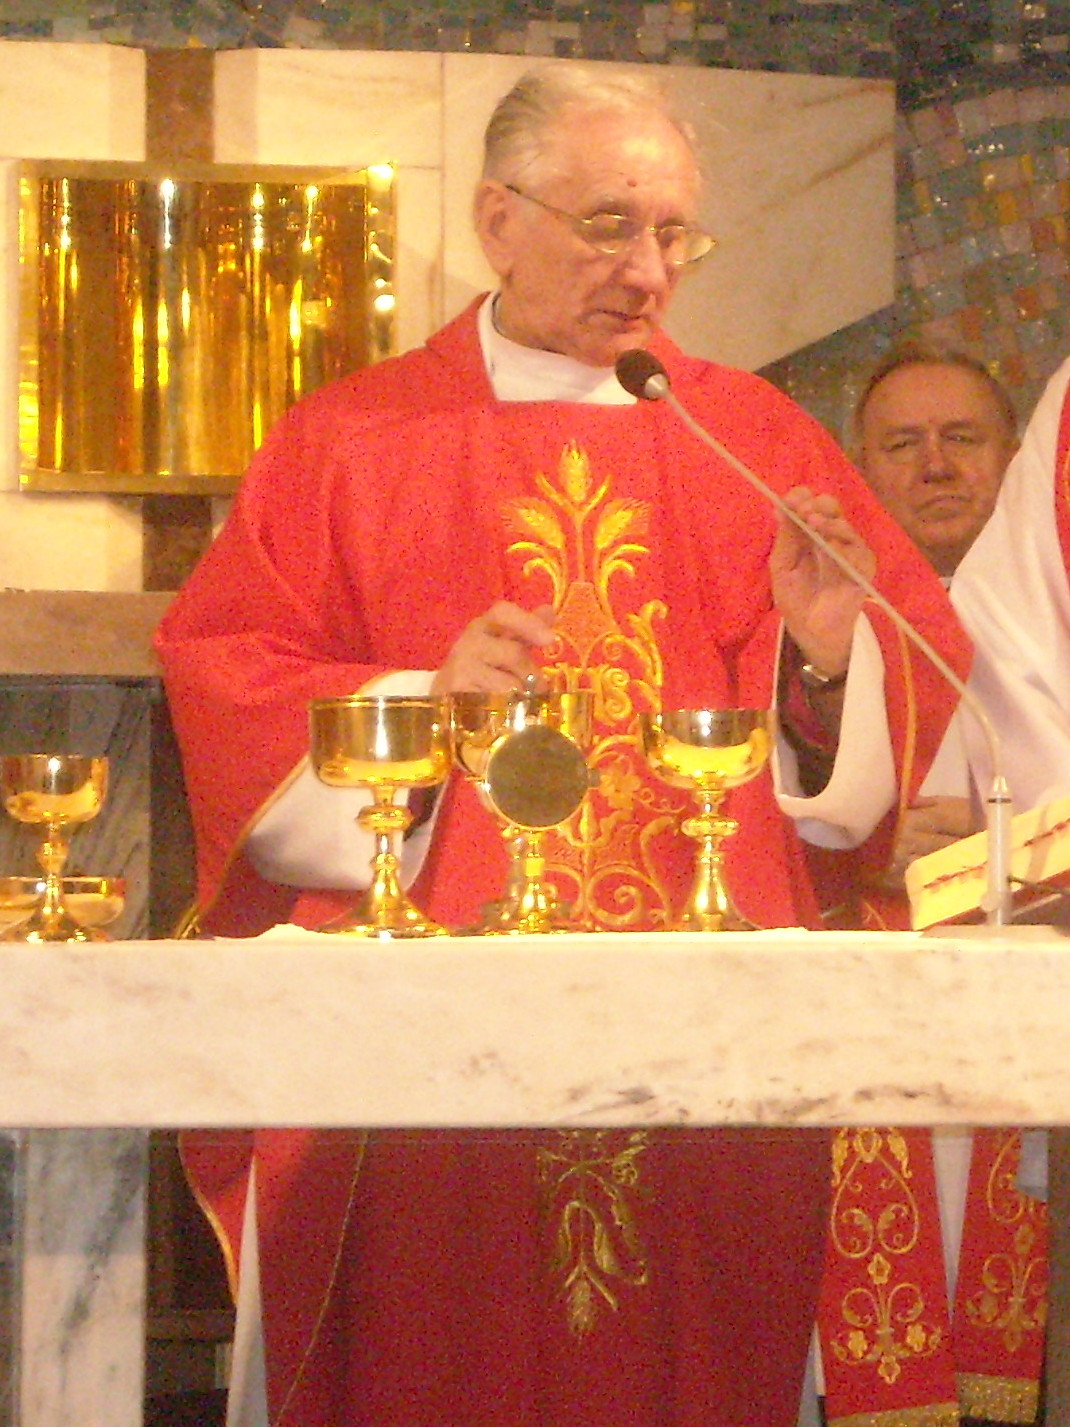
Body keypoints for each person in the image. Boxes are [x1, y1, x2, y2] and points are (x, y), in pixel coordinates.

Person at [155, 65, 969, 1427]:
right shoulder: (349, 441)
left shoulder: (750, 434)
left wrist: (826, 654)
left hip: (701, 1047)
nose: (647, 271)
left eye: (673, 234)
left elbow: (892, 705)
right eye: (607, 226)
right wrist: (419, 701)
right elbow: (229, 676)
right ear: (497, 220)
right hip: (429, 1050)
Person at [808, 343, 1047, 1427]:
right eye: (901, 444)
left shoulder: (1047, 616)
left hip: (1025, 994)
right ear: (860, 466)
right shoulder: (818, 621)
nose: (935, 466)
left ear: (1015, 454)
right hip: (861, 1004)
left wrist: (1009, 841)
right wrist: (860, 834)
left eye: (963, 439)